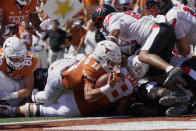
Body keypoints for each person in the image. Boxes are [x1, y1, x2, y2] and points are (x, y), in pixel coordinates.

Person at [0, 40, 140, 117]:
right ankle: (35, 96)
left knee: (51, 104)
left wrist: (121, 71)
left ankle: (25, 101)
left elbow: (121, 58)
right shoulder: (91, 68)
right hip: (59, 78)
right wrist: (110, 86)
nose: (112, 65)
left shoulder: (103, 56)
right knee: (48, 99)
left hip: (71, 68)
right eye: (110, 62)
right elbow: (89, 96)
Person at [92, 4, 185, 88]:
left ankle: (170, 69)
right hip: (162, 33)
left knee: (143, 55)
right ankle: (182, 96)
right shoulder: (123, 18)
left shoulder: (110, 17)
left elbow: (114, 32)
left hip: (157, 30)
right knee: (156, 75)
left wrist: (107, 46)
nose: (101, 27)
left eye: (99, 22)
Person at [0, 36, 37, 107]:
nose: (19, 60)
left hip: (19, 91)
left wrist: (9, 96)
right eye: (15, 58)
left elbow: (28, 89)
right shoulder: (1, 58)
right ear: (6, 55)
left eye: (21, 56)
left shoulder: (30, 60)